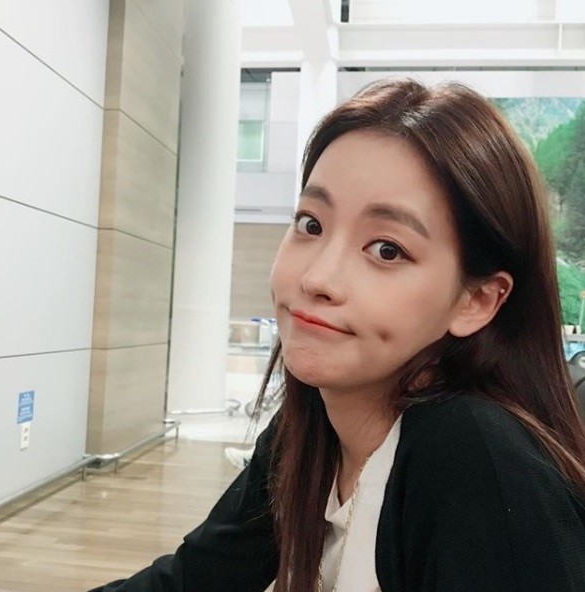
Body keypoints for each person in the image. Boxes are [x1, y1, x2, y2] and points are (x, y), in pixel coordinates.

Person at [89, 79, 585, 592]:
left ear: (475, 300)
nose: (317, 278)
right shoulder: (309, 430)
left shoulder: (472, 456)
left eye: (387, 250)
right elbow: (194, 581)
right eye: (311, 224)